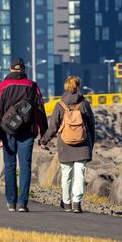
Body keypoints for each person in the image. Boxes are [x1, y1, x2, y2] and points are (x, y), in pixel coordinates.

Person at [0, 57, 48, 213]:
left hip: (7, 131)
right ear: (23, 70)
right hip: (27, 132)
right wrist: (44, 135)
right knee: (25, 167)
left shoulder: (4, 86)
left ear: (10, 69)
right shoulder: (32, 86)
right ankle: (23, 203)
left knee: (9, 167)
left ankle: (11, 202)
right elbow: (40, 111)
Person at [40, 75, 95, 214]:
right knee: (80, 174)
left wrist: (44, 140)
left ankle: (67, 203)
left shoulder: (60, 105)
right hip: (83, 144)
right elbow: (91, 126)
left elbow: (53, 126)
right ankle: (77, 203)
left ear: (65, 87)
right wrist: (91, 143)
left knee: (66, 174)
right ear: (78, 86)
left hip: (65, 144)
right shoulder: (84, 104)